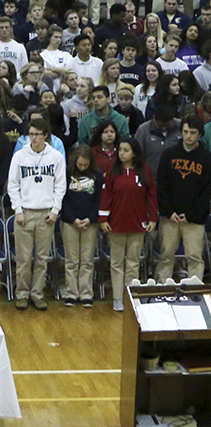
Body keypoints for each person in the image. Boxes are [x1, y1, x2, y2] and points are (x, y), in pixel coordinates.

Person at [8, 118, 66, 310]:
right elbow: (13, 185)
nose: (33, 138)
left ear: (45, 135)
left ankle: (37, 294)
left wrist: (55, 210)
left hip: (46, 214)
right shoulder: (19, 156)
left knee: (42, 259)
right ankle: (22, 294)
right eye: (30, 134)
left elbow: (60, 185)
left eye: (37, 134)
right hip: (24, 212)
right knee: (24, 259)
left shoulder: (56, 156)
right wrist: (18, 210)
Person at [99, 138, 157, 312]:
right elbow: (106, 195)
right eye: (120, 150)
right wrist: (103, 218)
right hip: (116, 223)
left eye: (125, 150)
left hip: (137, 223)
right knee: (116, 263)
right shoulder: (112, 171)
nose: (121, 153)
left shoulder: (144, 171)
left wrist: (153, 218)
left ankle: (130, 295)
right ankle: (117, 298)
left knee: (133, 262)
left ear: (134, 153)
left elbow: (151, 196)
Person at [155, 115, 211, 283]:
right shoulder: (169, 154)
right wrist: (168, 211)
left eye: (192, 132)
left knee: (194, 257)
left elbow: (206, 191)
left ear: (200, 134)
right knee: (166, 255)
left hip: (194, 219)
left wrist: (191, 215)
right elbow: (162, 186)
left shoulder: (207, 158)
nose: (188, 136)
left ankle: (195, 291)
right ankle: (162, 289)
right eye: (185, 132)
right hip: (170, 217)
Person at [58, 145, 103, 307]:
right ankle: (71, 292)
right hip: (70, 221)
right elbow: (62, 198)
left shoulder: (97, 175)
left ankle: (86, 293)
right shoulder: (66, 173)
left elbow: (99, 199)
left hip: (90, 222)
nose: (82, 167)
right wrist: (73, 218)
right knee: (71, 260)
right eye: (80, 164)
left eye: (85, 164)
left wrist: (91, 219)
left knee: (87, 260)